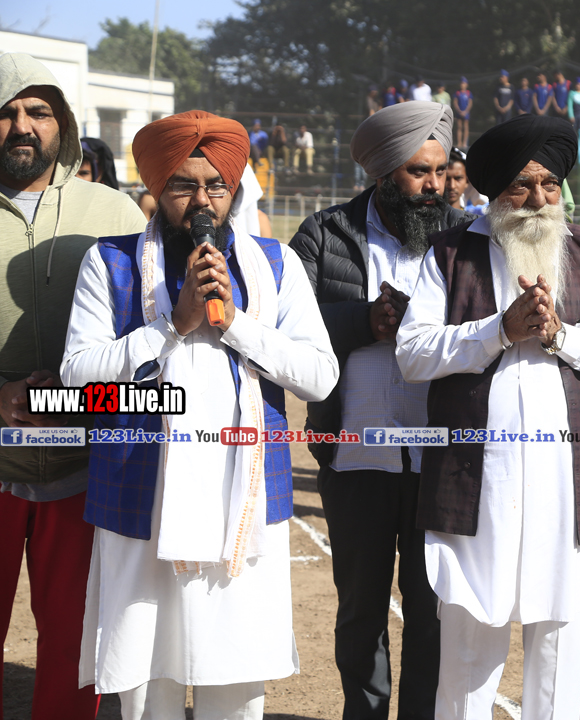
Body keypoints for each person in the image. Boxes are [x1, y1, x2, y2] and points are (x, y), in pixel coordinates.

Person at [60, 109, 337, 718]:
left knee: (234, 690)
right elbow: (78, 378)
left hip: (244, 507)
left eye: (217, 186)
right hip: (142, 498)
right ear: (157, 191)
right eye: (184, 186)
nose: (202, 202)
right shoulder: (110, 262)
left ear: (234, 190)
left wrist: (235, 323)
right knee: (144, 689)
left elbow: (319, 376)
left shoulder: (277, 265)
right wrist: (173, 324)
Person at [395, 115, 580, 720]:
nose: (538, 199)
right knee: (468, 651)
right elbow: (412, 353)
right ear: (494, 191)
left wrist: (563, 337)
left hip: (566, 488)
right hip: (475, 487)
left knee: (558, 647)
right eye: (522, 185)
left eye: (549, 184)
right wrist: (500, 330)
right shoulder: (451, 253)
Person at [289, 101, 472, 720]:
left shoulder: (466, 237)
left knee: (432, 610)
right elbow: (285, 327)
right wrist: (364, 321)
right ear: (383, 172)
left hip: (439, 460)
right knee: (361, 611)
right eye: (419, 172)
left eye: (441, 171)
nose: (434, 185)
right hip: (354, 456)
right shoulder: (324, 235)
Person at [0, 52, 146, 720]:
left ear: (62, 121)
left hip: (86, 469)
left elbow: (150, 344)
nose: (22, 125)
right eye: (6, 112)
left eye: (38, 111)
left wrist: (76, 396)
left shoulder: (114, 213)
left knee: (75, 645)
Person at [453, 78, 473, 148]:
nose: (462, 85)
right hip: (459, 112)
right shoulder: (457, 93)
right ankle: (459, 142)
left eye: (464, 83)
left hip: (466, 112)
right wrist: (459, 111)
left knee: (465, 127)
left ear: (466, 84)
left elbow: (470, 103)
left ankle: (464, 143)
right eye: (461, 83)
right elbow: (455, 102)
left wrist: (466, 111)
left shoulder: (468, 93)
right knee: (459, 127)